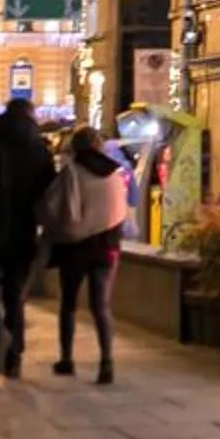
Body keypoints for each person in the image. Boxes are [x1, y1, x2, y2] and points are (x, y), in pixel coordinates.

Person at [41, 124, 134, 383]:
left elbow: (52, 206)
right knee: (101, 306)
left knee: (69, 304)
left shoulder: (72, 172)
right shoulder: (114, 175)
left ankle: (67, 359)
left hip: (76, 248)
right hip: (108, 247)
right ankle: (107, 361)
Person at [0, 98, 54, 379]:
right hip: (23, 231)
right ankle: (15, 357)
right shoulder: (39, 150)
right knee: (14, 296)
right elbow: (48, 191)